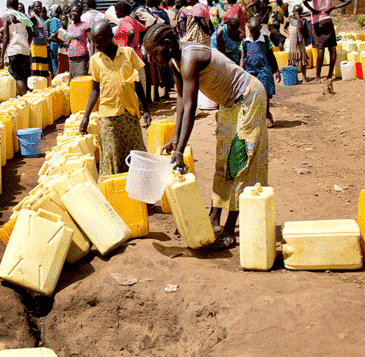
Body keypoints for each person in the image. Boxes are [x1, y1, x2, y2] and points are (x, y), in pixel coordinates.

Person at [143, 24, 269, 250]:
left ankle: (229, 230)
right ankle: (214, 217)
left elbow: (191, 106)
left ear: (167, 45)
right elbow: (181, 101)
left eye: (154, 54)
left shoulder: (190, 58)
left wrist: (180, 150)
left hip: (248, 98)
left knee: (239, 162)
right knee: (223, 161)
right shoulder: (175, 61)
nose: (153, 60)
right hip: (229, 105)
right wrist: (176, 139)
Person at [79, 20, 151, 176]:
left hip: (129, 112)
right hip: (108, 116)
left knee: (136, 153)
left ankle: (137, 186)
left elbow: (137, 83)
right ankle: (113, 187)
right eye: (93, 41)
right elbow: (95, 90)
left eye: (99, 41)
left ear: (110, 37)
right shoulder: (95, 60)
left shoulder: (128, 53)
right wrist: (86, 116)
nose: (96, 45)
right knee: (111, 156)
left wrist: (146, 109)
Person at [302, 0, 351, 94]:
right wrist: (333, 8)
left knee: (320, 48)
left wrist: (313, 10)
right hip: (328, 21)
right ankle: (329, 75)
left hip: (318, 22)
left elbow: (304, 0)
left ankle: (318, 77)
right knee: (332, 48)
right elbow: (347, 0)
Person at [241, 16, 280, 128]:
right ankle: (251, 117)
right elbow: (242, 58)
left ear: (260, 28)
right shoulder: (244, 42)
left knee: (265, 92)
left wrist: (277, 70)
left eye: (256, 31)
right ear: (248, 28)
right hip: (250, 70)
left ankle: (267, 114)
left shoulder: (266, 40)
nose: (254, 33)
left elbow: (271, 56)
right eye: (252, 31)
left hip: (263, 69)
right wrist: (241, 71)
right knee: (250, 93)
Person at [1, 0, 33, 96]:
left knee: (17, 75)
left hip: (14, 49)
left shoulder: (7, 17)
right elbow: (31, 34)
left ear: (7, 5)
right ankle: (24, 95)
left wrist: (1, 57)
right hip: (25, 49)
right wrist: (26, 44)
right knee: (22, 73)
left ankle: (23, 98)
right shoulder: (24, 17)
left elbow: (5, 38)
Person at [63, 4, 92, 78]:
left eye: (76, 11)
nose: (73, 13)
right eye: (72, 11)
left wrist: (91, 58)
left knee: (81, 80)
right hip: (71, 59)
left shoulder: (85, 25)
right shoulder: (70, 27)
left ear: (80, 13)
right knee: (73, 82)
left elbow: (91, 41)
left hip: (81, 59)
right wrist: (57, 40)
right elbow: (68, 43)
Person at [285, 5, 308, 80]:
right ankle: (295, 78)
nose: (296, 14)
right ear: (293, 12)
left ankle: (304, 78)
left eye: (298, 12)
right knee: (294, 61)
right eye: (295, 12)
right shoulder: (290, 20)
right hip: (293, 44)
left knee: (303, 61)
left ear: (301, 12)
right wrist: (290, 34)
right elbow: (284, 28)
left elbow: (301, 29)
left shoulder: (303, 21)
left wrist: (298, 19)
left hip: (300, 44)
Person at [45, 6, 63, 76]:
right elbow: (55, 32)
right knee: (55, 61)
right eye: (58, 8)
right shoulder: (54, 20)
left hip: (57, 42)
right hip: (55, 43)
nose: (60, 9)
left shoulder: (57, 19)